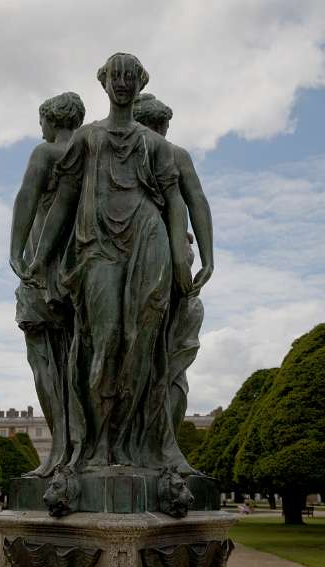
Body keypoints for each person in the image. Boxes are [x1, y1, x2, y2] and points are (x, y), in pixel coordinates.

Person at [26, 53, 210, 473]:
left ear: (140, 82)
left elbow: (181, 202)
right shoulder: (87, 139)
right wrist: (39, 259)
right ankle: (98, 446)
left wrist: (192, 259)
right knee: (103, 341)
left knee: (141, 343)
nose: (123, 83)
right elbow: (64, 202)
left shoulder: (159, 146)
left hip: (149, 240)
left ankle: (131, 446)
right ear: (104, 82)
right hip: (97, 247)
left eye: (130, 76)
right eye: (116, 76)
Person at [9, 92, 85, 476]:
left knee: (43, 358)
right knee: (81, 361)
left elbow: (26, 199)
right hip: (85, 267)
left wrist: (16, 252)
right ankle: (83, 447)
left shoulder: (46, 153)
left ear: (52, 120)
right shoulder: (92, 151)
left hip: (45, 265)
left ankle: (59, 449)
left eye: (42, 121)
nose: (40, 128)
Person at [133, 93, 213, 434]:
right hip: (168, 257)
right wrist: (207, 256)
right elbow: (198, 202)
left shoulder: (126, 153)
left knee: (152, 350)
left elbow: (196, 202)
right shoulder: (175, 154)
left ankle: (151, 439)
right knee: (169, 355)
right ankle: (157, 438)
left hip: (147, 258)